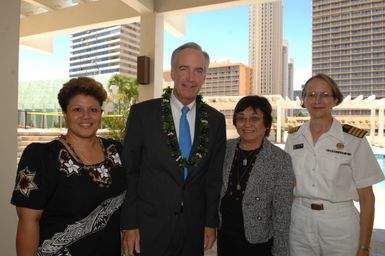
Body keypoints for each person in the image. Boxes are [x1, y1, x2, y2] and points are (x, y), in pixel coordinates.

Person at [120, 42, 226, 256]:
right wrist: (129, 224)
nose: (191, 77)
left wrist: (210, 223)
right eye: (183, 68)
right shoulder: (143, 114)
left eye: (198, 70)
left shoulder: (215, 120)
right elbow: (129, 173)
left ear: (205, 76)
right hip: (149, 227)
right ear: (172, 73)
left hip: (193, 228)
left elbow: (213, 178)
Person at [11, 77, 127, 255]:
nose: (86, 116)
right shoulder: (41, 157)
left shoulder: (117, 151)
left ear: (101, 114)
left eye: (93, 109)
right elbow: (28, 222)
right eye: (77, 109)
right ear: (65, 114)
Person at [285, 73, 385, 256]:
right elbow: (289, 184)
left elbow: (367, 198)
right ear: (303, 100)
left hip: (340, 224)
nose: (317, 100)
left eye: (325, 95)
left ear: (335, 99)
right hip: (299, 221)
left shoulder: (354, 140)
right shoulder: (293, 138)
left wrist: (364, 247)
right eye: (311, 94)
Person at [217, 96, 294, 256]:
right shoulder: (224, 150)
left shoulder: (280, 159)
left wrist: (281, 251)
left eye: (254, 118)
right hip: (225, 235)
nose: (247, 124)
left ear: (266, 123)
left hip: (259, 240)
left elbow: (282, 211)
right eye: (241, 119)